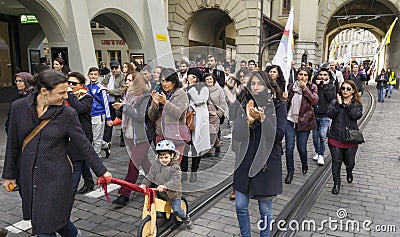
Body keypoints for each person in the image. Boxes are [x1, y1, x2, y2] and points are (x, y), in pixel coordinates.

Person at [1, 69, 112, 236]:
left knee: (45, 226)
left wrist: (101, 171)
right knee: (52, 219)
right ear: (44, 91)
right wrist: (9, 175)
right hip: (28, 176)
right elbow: (12, 145)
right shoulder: (19, 108)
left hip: (56, 178)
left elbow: (84, 145)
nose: (66, 97)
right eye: (61, 93)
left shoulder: (68, 114)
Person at [232, 71, 286, 237]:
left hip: (266, 162)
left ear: (268, 85)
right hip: (245, 159)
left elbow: (277, 136)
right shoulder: (244, 103)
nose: (255, 87)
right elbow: (237, 135)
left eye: (260, 83)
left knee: (265, 208)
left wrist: (263, 120)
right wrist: (248, 122)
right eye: (253, 83)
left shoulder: (278, 105)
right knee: (240, 205)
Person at [111, 73, 155, 206]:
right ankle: (155, 181)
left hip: (142, 136)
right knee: (144, 162)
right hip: (129, 134)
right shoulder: (127, 95)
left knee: (133, 164)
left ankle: (124, 194)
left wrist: (124, 107)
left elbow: (140, 116)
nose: (127, 83)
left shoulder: (146, 97)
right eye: (126, 80)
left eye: (130, 80)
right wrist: (120, 108)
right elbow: (122, 114)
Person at [139, 140, 192, 229]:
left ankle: (185, 217)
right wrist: (144, 184)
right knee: (152, 203)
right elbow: (150, 176)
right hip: (160, 193)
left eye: (166, 157)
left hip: (173, 194)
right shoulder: (156, 165)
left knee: (176, 210)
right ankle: (155, 218)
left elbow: (175, 180)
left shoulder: (175, 167)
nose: (163, 160)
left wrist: (165, 186)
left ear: (172, 155)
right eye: (161, 157)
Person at [327, 80, 363, 195]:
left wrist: (348, 105)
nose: (345, 91)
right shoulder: (334, 101)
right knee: (336, 163)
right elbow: (330, 114)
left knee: (350, 162)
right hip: (335, 137)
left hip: (351, 139)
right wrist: (338, 104)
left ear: (353, 91)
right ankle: (336, 184)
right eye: (343, 88)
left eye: (348, 89)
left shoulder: (357, 103)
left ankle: (349, 171)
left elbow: (356, 115)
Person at [284, 67, 318, 184]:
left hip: (304, 122)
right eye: (300, 74)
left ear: (308, 77)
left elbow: (314, 101)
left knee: (301, 148)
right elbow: (286, 101)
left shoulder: (312, 87)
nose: (302, 77)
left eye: (305, 75)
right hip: (289, 120)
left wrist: (305, 90)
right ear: (297, 76)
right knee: (289, 148)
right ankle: (290, 172)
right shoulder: (290, 87)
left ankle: (304, 163)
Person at [148, 68, 189, 162]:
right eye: (162, 81)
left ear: (174, 81)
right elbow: (152, 117)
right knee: (162, 165)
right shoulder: (160, 93)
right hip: (161, 134)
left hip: (175, 135)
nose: (165, 84)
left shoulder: (181, 94)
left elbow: (179, 114)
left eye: (168, 81)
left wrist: (165, 103)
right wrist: (155, 104)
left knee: (173, 165)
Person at [65, 72, 95, 194]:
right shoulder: (66, 97)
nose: (70, 85)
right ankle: (89, 182)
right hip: (69, 135)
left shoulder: (86, 97)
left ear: (82, 85)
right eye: (69, 83)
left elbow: (79, 108)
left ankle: (69, 194)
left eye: (74, 83)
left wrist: (69, 93)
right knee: (81, 161)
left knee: (76, 163)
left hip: (82, 135)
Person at [181, 68, 210, 183]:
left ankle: (194, 171)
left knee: (196, 148)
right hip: (186, 120)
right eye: (189, 76)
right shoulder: (185, 88)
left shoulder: (203, 88)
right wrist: (184, 88)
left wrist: (190, 88)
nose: (190, 78)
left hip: (198, 121)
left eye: (193, 76)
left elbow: (199, 100)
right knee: (185, 146)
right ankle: (183, 171)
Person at [311, 67, 336, 166]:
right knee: (314, 136)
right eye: (321, 75)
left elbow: (332, 98)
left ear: (328, 76)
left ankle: (321, 154)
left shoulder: (331, 86)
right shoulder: (314, 85)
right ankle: (317, 151)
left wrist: (325, 87)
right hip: (314, 114)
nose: (322, 77)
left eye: (325, 75)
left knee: (322, 135)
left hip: (325, 115)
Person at [101, 60, 126, 157]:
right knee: (109, 121)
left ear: (119, 67)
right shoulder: (108, 76)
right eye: (113, 68)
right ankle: (107, 141)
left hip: (117, 101)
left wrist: (110, 91)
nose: (115, 70)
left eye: (116, 68)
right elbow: (103, 85)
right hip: (107, 101)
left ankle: (123, 138)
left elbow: (122, 89)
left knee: (121, 120)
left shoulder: (123, 76)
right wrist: (106, 89)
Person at [205, 73, 228, 157]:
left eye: (210, 79)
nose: (209, 81)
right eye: (207, 79)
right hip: (205, 114)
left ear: (213, 80)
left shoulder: (219, 90)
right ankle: (216, 144)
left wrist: (219, 113)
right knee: (206, 132)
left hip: (215, 114)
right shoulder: (203, 90)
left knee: (212, 132)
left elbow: (223, 103)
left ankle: (209, 149)